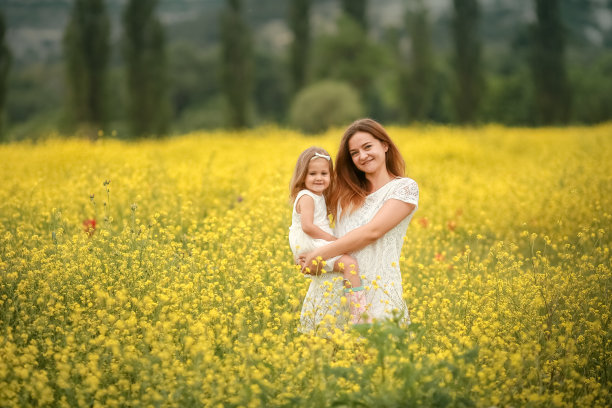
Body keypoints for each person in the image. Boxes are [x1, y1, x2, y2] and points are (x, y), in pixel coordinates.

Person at [300, 119, 419, 330]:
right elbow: (307, 212)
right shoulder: (341, 192)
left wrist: (320, 254)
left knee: (374, 358)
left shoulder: (404, 188)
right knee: (325, 361)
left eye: (367, 147)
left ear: (385, 145)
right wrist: (302, 251)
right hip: (330, 294)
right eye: (354, 153)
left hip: (379, 295)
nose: (362, 156)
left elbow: (372, 232)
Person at [288, 147, 367, 331]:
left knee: (347, 265)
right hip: (312, 242)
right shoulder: (307, 197)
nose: (319, 178)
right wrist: (332, 239)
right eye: (312, 173)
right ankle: (358, 316)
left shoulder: (317, 196)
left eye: (324, 173)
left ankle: (349, 311)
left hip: (312, 241)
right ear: (302, 176)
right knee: (350, 264)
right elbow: (307, 226)